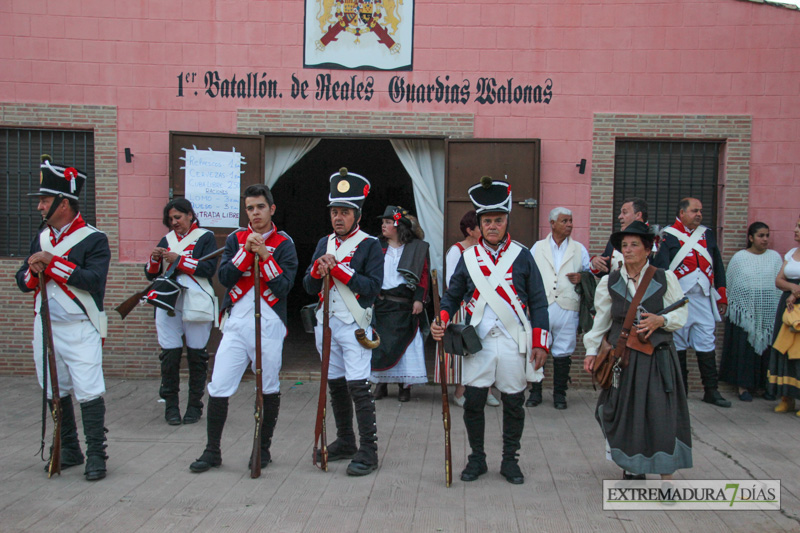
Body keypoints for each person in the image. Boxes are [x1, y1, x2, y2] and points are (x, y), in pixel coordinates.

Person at [431, 176, 550, 485]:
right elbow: (453, 293)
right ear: (479, 224)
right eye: (487, 220)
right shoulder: (468, 258)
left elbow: (538, 302)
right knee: (473, 401)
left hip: (513, 341)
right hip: (478, 341)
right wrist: (442, 317)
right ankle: (477, 459)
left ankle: (510, 461)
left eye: (498, 219)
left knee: (513, 402)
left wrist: (540, 343)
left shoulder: (523, 255)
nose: (493, 225)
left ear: (506, 220)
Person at [189, 184, 298, 473]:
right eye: (250, 208)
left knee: (269, 387)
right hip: (236, 321)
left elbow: (285, 287)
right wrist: (244, 253)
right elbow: (224, 277)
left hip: (270, 322)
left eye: (260, 207)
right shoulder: (236, 239)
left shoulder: (285, 243)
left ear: (271, 209)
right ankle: (212, 451)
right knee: (219, 385)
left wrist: (264, 254)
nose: (255, 213)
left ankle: (262, 450)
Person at [15, 156, 111, 481]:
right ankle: (69, 448)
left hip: (81, 326)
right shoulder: (42, 237)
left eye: (45, 200)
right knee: (54, 390)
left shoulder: (95, 238)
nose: (40, 207)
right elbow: (23, 280)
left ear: (64, 203)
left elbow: (93, 280)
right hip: (46, 326)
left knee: (88, 389)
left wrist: (52, 263)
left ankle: (97, 454)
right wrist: (33, 269)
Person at [583, 221, 691, 480]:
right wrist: (590, 350)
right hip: (624, 359)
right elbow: (601, 321)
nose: (628, 250)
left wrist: (660, 320)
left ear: (647, 249)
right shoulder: (610, 281)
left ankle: (666, 476)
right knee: (622, 413)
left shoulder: (664, 278)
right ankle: (632, 464)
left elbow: (681, 313)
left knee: (660, 415)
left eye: (634, 245)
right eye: (624, 245)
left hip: (657, 359)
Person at [303, 168, 383, 476]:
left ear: (357, 215)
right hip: (326, 324)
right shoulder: (324, 243)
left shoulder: (370, 244)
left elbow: (373, 287)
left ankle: (369, 450)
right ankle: (346, 440)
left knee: (358, 387)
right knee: (335, 385)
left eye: (345, 212)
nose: (339, 218)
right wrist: (317, 270)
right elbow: (308, 287)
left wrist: (338, 270)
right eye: (335, 212)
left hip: (355, 325)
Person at [145, 198, 218, 425]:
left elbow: (207, 269)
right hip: (169, 302)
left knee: (197, 356)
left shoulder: (205, 237)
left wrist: (180, 260)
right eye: (171, 219)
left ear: (190, 215)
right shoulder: (167, 240)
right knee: (170, 356)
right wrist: (155, 259)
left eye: (178, 217)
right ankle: (171, 407)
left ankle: (195, 406)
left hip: (196, 301)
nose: (174, 222)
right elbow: (152, 274)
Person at [653, 197, 731, 407]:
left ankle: (711, 390)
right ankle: (681, 391)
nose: (699, 214)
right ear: (682, 212)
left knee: (707, 342)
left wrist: (721, 294)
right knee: (677, 343)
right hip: (678, 299)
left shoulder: (707, 234)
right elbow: (662, 267)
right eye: (695, 211)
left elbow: (718, 265)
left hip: (703, 297)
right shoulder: (667, 235)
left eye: (701, 211)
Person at [529, 207, 592, 409]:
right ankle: (535, 392)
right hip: (542, 306)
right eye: (565, 221)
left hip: (568, 306)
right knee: (538, 348)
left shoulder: (579, 249)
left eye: (571, 221)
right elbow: (527, 276)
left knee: (563, 352)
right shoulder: (537, 248)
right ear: (553, 223)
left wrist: (582, 278)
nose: (569, 225)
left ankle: (559, 395)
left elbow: (590, 276)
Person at [438, 210, 500, 408]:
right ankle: (460, 391)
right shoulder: (457, 251)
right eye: (479, 226)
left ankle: (487, 390)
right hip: (463, 308)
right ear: (469, 230)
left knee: (486, 347)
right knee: (466, 351)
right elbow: (453, 283)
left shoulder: (488, 250)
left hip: (484, 307)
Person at [371, 206, 430, 402]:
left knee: (406, 346)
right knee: (381, 345)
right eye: (383, 222)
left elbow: (423, 275)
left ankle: (404, 386)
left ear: (399, 226)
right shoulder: (376, 245)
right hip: (382, 304)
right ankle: (381, 383)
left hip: (405, 305)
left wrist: (418, 299)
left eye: (388, 222)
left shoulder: (415, 248)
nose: (383, 226)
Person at [719, 223, 782, 401]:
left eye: (767, 235)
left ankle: (765, 386)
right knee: (744, 349)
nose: (765, 239)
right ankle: (743, 387)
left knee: (767, 349)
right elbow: (732, 286)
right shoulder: (739, 258)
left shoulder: (775, 258)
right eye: (761, 235)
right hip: (745, 313)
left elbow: (777, 283)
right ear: (751, 238)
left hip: (768, 311)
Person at [766, 217, 800, 414]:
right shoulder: (791, 253)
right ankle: (786, 398)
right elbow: (779, 280)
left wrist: (796, 294)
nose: (795, 230)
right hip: (787, 307)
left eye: (799, 227)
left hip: (796, 303)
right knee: (784, 349)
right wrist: (792, 289)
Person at [590, 197, 649, 276]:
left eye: (624, 213)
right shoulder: (616, 238)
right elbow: (605, 269)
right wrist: (596, 263)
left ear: (638, 215)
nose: (620, 217)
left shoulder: (653, 240)